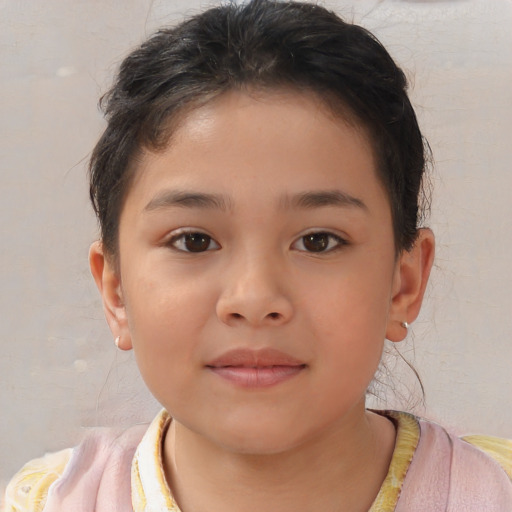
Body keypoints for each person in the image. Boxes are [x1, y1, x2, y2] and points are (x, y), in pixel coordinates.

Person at [3, 0, 511, 510]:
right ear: (115, 291)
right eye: (193, 240)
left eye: (318, 241)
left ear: (404, 283)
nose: (254, 298)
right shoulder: (46, 501)